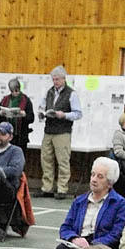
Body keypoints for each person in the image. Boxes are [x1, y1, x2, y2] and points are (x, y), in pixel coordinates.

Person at [42, 157, 125, 249]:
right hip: (77, 244)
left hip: (101, 248)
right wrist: (75, 238)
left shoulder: (119, 204)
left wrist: (92, 245)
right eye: (92, 174)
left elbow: (116, 233)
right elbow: (65, 227)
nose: (94, 179)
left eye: (100, 176)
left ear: (110, 182)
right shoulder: (79, 201)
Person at [38, 66, 82, 198]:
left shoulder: (71, 93)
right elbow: (41, 106)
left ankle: (62, 188)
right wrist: (41, 113)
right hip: (49, 130)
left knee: (63, 160)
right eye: (53, 79)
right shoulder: (49, 92)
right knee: (46, 159)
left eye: (57, 79)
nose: (55, 82)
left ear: (64, 79)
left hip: (63, 132)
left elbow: (78, 113)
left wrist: (64, 115)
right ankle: (47, 188)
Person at [0, 77, 34, 154]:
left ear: (19, 88)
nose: (15, 93)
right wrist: (1, 113)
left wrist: (24, 115)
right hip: (5, 136)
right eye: (12, 91)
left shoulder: (26, 100)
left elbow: (31, 118)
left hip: (20, 136)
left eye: (16, 90)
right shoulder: (5, 100)